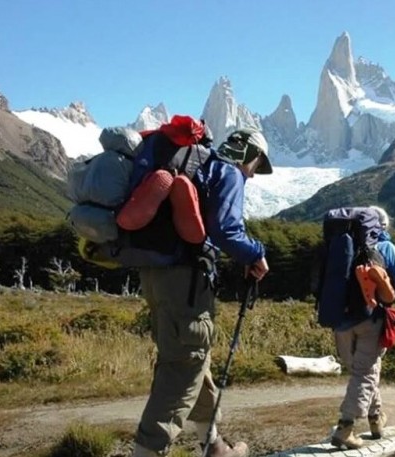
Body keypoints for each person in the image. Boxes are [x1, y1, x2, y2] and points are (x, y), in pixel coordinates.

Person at [132, 128, 273, 457]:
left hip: (157, 276)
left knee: (195, 358)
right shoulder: (227, 171)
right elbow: (226, 229)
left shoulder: (197, 166)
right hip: (187, 281)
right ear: (250, 155)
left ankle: (213, 446)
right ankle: (146, 451)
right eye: (255, 166)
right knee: (183, 368)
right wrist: (255, 253)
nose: (251, 175)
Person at [330, 205, 395, 449]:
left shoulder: (339, 245)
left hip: (339, 319)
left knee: (364, 370)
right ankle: (344, 428)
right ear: (383, 226)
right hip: (371, 318)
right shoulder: (384, 247)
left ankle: (376, 420)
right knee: (365, 373)